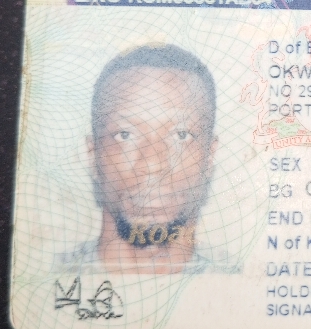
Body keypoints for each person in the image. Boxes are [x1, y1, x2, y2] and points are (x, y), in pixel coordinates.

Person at [64, 44, 218, 274]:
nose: (152, 164)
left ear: (209, 156)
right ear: (93, 155)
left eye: (181, 135)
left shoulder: (243, 283)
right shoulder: (42, 277)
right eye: (125, 135)